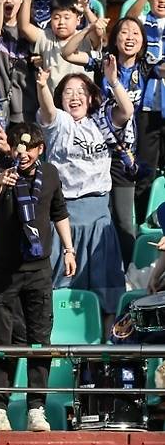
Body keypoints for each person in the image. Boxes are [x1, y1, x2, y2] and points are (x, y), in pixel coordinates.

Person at [0, 122, 75, 432]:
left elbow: (59, 212)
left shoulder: (49, 174)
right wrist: (0, 180)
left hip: (37, 269)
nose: (24, 153)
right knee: (0, 340)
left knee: (39, 339)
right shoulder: (4, 169)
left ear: (39, 149)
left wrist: (69, 249)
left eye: (31, 147)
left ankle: (37, 407)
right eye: (19, 146)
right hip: (3, 272)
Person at [36, 63, 131, 318]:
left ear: (90, 98)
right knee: (62, 290)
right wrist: (42, 85)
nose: (74, 97)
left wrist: (113, 81)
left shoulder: (101, 122)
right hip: (64, 216)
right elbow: (47, 110)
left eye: (80, 91)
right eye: (68, 92)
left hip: (99, 215)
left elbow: (127, 110)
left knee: (106, 292)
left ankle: (105, 347)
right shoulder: (59, 122)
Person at [63, 14, 156, 266]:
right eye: (124, 32)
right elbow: (67, 53)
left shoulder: (147, 66)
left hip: (127, 155)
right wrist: (89, 29)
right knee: (101, 218)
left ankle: (126, 270)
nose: (130, 37)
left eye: (135, 33)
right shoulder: (104, 62)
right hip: (97, 150)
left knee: (125, 220)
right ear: (114, 38)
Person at [126, 0, 165, 227]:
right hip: (148, 108)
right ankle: (142, 223)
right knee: (145, 173)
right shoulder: (143, 23)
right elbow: (128, 20)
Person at [19, 0, 99, 91]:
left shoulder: (85, 37)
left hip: (82, 102)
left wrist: (87, 10)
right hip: (54, 104)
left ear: (78, 19)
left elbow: (98, 31)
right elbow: (24, 27)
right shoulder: (46, 37)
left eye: (67, 17)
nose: (61, 22)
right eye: (56, 17)